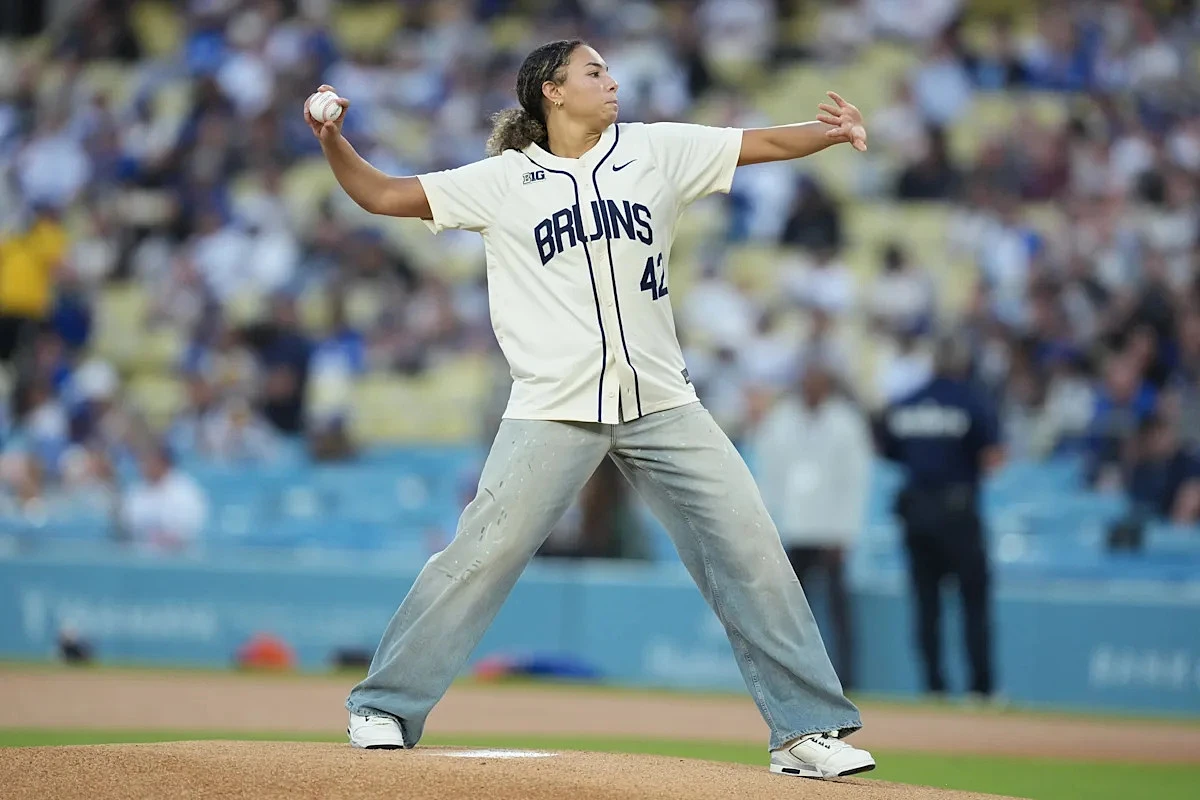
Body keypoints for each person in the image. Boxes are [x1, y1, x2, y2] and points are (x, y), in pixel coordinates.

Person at [308, 39, 874, 779]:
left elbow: (758, 141)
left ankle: (805, 731)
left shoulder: (654, 150)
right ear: (551, 91)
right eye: (594, 72)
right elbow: (382, 195)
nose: (612, 83)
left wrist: (825, 132)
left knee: (752, 548)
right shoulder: (504, 182)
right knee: (483, 555)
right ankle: (382, 705)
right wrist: (333, 140)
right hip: (554, 405)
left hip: (663, 401)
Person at [879, 335, 1004, 701]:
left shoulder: (906, 403)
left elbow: (891, 452)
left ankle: (934, 688)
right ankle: (981, 690)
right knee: (973, 601)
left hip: (916, 513)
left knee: (926, 604)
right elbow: (993, 457)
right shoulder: (972, 402)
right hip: (959, 512)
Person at [752, 362, 873, 691]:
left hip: (829, 531)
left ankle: (846, 680)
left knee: (837, 613)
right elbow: (769, 474)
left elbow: (855, 482)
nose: (810, 389)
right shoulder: (782, 419)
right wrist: (768, 524)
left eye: (817, 382)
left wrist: (844, 532)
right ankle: (787, 677)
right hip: (792, 527)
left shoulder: (845, 422)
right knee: (787, 613)